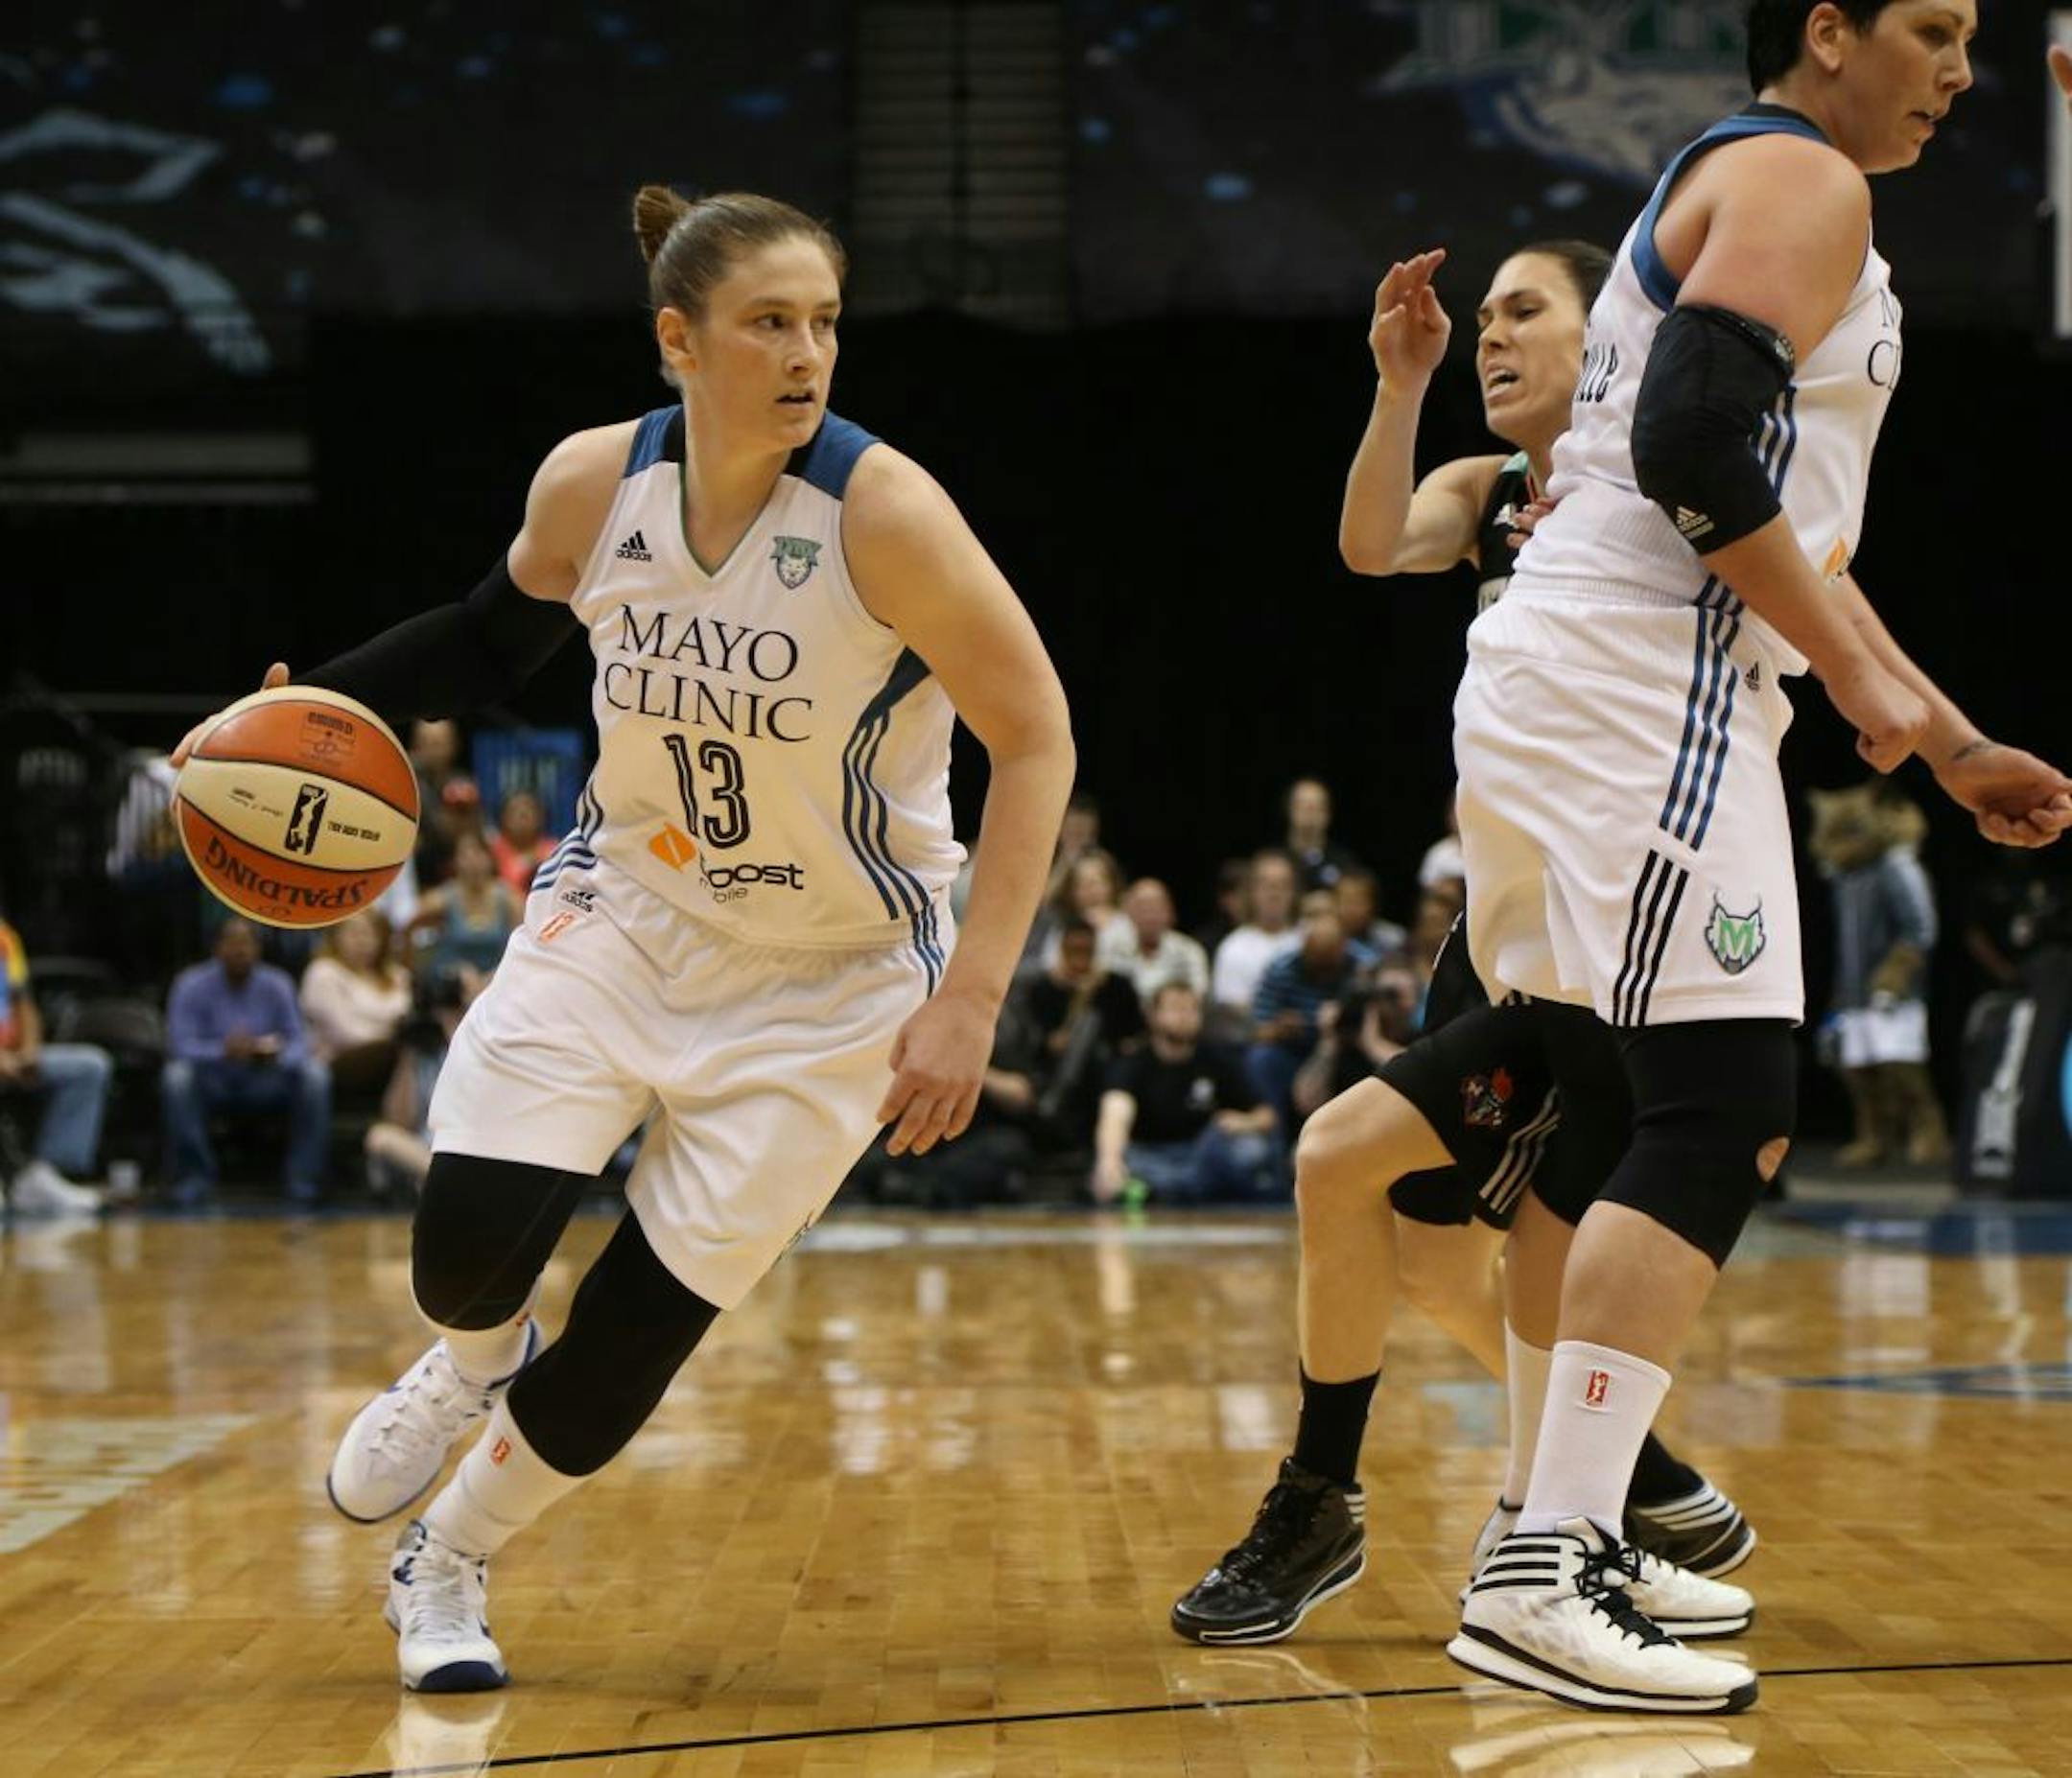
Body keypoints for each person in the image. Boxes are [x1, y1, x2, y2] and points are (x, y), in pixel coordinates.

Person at [174, 187, 1073, 1693]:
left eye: (826, 323)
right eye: (769, 323)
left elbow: (1035, 735)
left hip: (837, 977)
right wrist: (297, 711)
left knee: (634, 1339)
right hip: (630, 911)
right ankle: (470, 1358)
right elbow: (482, 637)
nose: (808, 355)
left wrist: (973, 993)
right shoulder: (597, 486)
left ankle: (447, 1558)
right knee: (465, 1254)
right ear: (679, 340)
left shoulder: (884, 515)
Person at [1448, 0, 2068, 1713]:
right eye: (1934, 28)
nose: (1961, 69)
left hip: (1602, 666)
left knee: (1626, 1101)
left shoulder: (1763, 184)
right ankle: (1539, 1558)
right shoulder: (1805, 177)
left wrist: (1934, 733)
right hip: (1645, 670)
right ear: (1828, 30)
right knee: (1723, 1102)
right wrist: (1873, 691)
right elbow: (1697, 455)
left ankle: (1545, 1512)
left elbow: (1759, 505)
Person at [1172, 229, 1758, 1667]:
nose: (1495, 336)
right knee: (1420, 1240)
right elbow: (1373, 544)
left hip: (1618, 938)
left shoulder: (1661, 493)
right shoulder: (1488, 490)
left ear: (1604, 332)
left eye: (1523, 313)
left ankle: (1546, 1514)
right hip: (1501, 938)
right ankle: (1607, 1482)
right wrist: (1399, 380)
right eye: (1483, 316)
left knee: (1438, 1212)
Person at [162, 918, 332, 1206]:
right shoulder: (190, 984)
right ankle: (194, 1178)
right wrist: (222, 1051)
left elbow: (298, 1044)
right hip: (213, 1079)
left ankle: (304, 1179)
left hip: (264, 1078)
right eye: (232, 941)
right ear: (216, 947)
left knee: (315, 1076)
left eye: (247, 942)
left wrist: (270, 1053)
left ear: (259, 949)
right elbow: (179, 1046)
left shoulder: (277, 984)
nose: (240, 949)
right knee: (176, 1077)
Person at [1092, 983, 1277, 1205]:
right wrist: (1109, 1161)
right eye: (1175, 1009)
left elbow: (1266, 1115)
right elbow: (1116, 1112)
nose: (1185, 1017)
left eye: (1191, 1009)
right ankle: (1173, 1188)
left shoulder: (1216, 1060)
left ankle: (1170, 1189)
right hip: (1150, 1154)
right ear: (1153, 1016)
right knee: (1121, 1165)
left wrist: (1243, 1122)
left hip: (1202, 1153)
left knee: (1249, 1149)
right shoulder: (1133, 1063)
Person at [0, 913, 111, 1215]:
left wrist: (30, 1050)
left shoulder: (5, 938)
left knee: (90, 1066)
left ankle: (44, 1177)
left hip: (13, 1054)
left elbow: (25, 1005)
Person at [300, 910, 412, 1098]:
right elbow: (345, 1033)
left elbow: (411, 1017)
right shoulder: (323, 972)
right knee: (403, 1049)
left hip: (395, 1058)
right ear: (336, 937)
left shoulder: (397, 975)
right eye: (354, 933)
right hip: (339, 1061)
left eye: (369, 934)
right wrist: (392, 1032)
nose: (362, 941)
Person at [409, 831, 521, 997]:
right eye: (465, 856)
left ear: (490, 859)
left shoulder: (509, 898)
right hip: (452, 983)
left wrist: (497, 975)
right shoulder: (441, 899)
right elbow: (408, 929)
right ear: (455, 862)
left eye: (478, 854)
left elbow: (523, 944)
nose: (473, 862)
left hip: (497, 980)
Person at [1210, 849, 1301, 1032]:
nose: (1275, 893)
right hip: (1251, 1046)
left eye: (1283, 885)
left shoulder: (1308, 939)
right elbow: (1230, 1012)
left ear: (1294, 892)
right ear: (1252, 891)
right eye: (1267, 885)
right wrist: (1273, 1027)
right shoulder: (1233, 948)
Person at [1096, 877, 1210, 1007]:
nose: (1150, 916)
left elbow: (1199, 996)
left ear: (1170, 912)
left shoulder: (1189, 951)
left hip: (1173, 1020)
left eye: (1156, 908)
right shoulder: (1110, 946)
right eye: (1142, 908)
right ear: (1127, 913)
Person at [1282, 778, 1364, 893]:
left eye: (1316, 807)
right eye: (1302, 806)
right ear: (1289, 810)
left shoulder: (1344, 863)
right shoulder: (1272, 862)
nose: (1309, 813)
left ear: (1328, 814)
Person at [487, 789, 556, 902]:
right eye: (515, 810)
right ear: (502, 817)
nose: (523, 814)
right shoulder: (491, 851)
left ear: (541, 816)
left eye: (529, 809)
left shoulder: (555, 851)